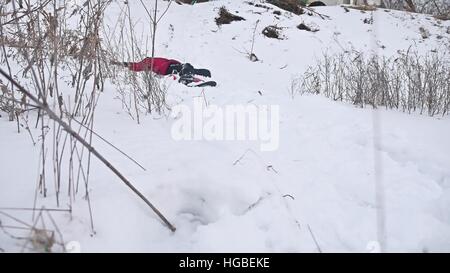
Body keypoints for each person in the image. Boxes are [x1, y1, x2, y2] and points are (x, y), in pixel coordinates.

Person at [111, 57, 211, 85]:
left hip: (171, 67)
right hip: (170, 67)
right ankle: (187, 75)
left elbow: (136, 66)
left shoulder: (150, 61)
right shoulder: (148, 61)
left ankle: (188, 75)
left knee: (185, 67)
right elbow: (136, 66)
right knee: (185, 66)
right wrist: (120, 64)